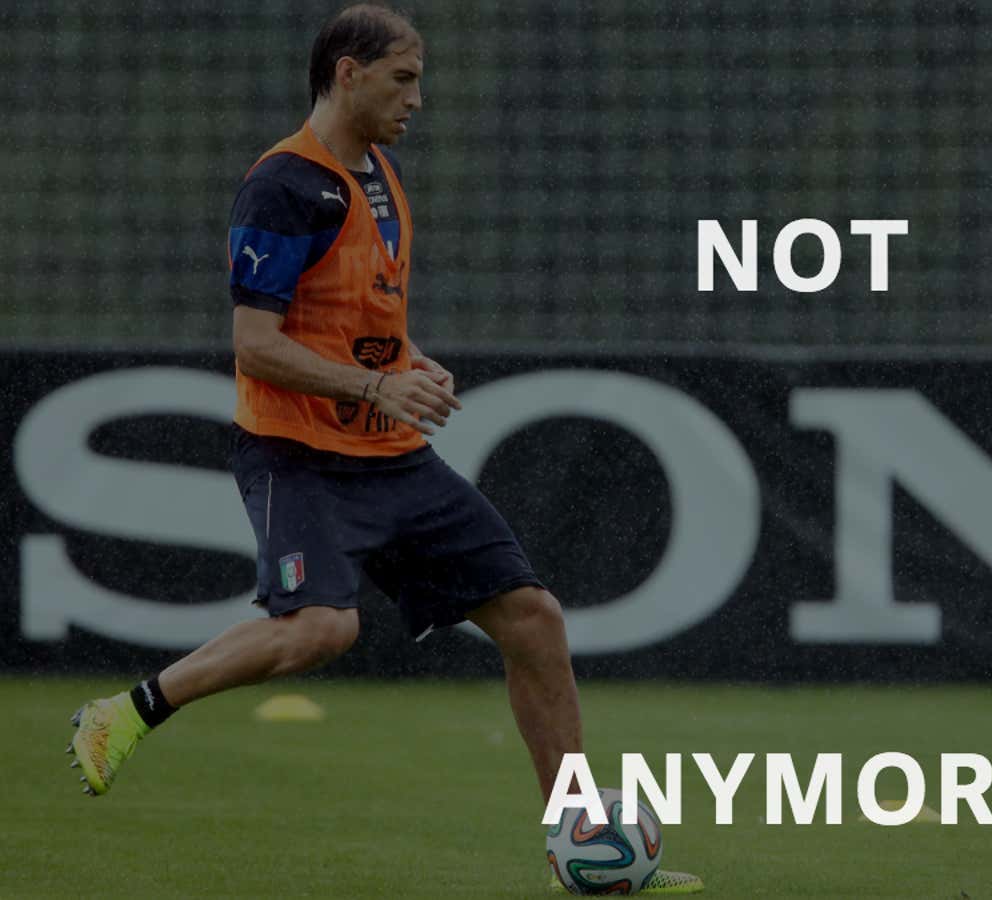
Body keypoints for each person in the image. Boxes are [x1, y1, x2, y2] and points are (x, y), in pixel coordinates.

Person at [67, 5, 701, 894]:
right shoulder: (283, 185)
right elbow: (255, 343)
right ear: (346, 74)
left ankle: (580, 853)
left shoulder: (382, 177)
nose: (417, 98)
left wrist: (405, 366)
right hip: (299, 455)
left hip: (391, 455)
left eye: (420, 79)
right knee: (324, 628)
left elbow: (354, 325)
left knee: (535, 620)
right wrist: (374, 385)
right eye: (402, 78)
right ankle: (128, 710)